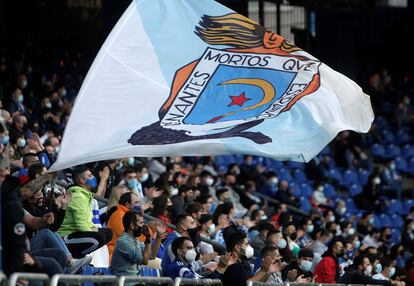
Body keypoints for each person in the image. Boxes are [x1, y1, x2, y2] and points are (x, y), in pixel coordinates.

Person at [58, 167, 113, 258]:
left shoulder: (86, 196)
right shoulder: (78, 197)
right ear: (82, 180)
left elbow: (87, 221)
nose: (94, 178)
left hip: (77, 233)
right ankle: (76, 257)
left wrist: (93, 228)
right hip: (66, 236)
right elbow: (80, 225)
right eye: (90, 176)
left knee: (108, 233)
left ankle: (77, 256)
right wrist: (93, 229)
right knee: (100, 237)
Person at [110, 211, 166, 276]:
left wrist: (159, 236)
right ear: (132, 225)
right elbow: (144, 261)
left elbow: (152, 256)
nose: (144, 226)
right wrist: (148, 239)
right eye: (141, 223)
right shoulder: (123, 242)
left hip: (135, 280)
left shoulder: (135, 240)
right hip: (125, 282)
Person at [107, 191, 139, 261]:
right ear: (127, 204)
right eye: (136, 203)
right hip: (114, 253)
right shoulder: (119, 215)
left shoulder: (127, 215)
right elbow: (125, 238)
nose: (138, 206)